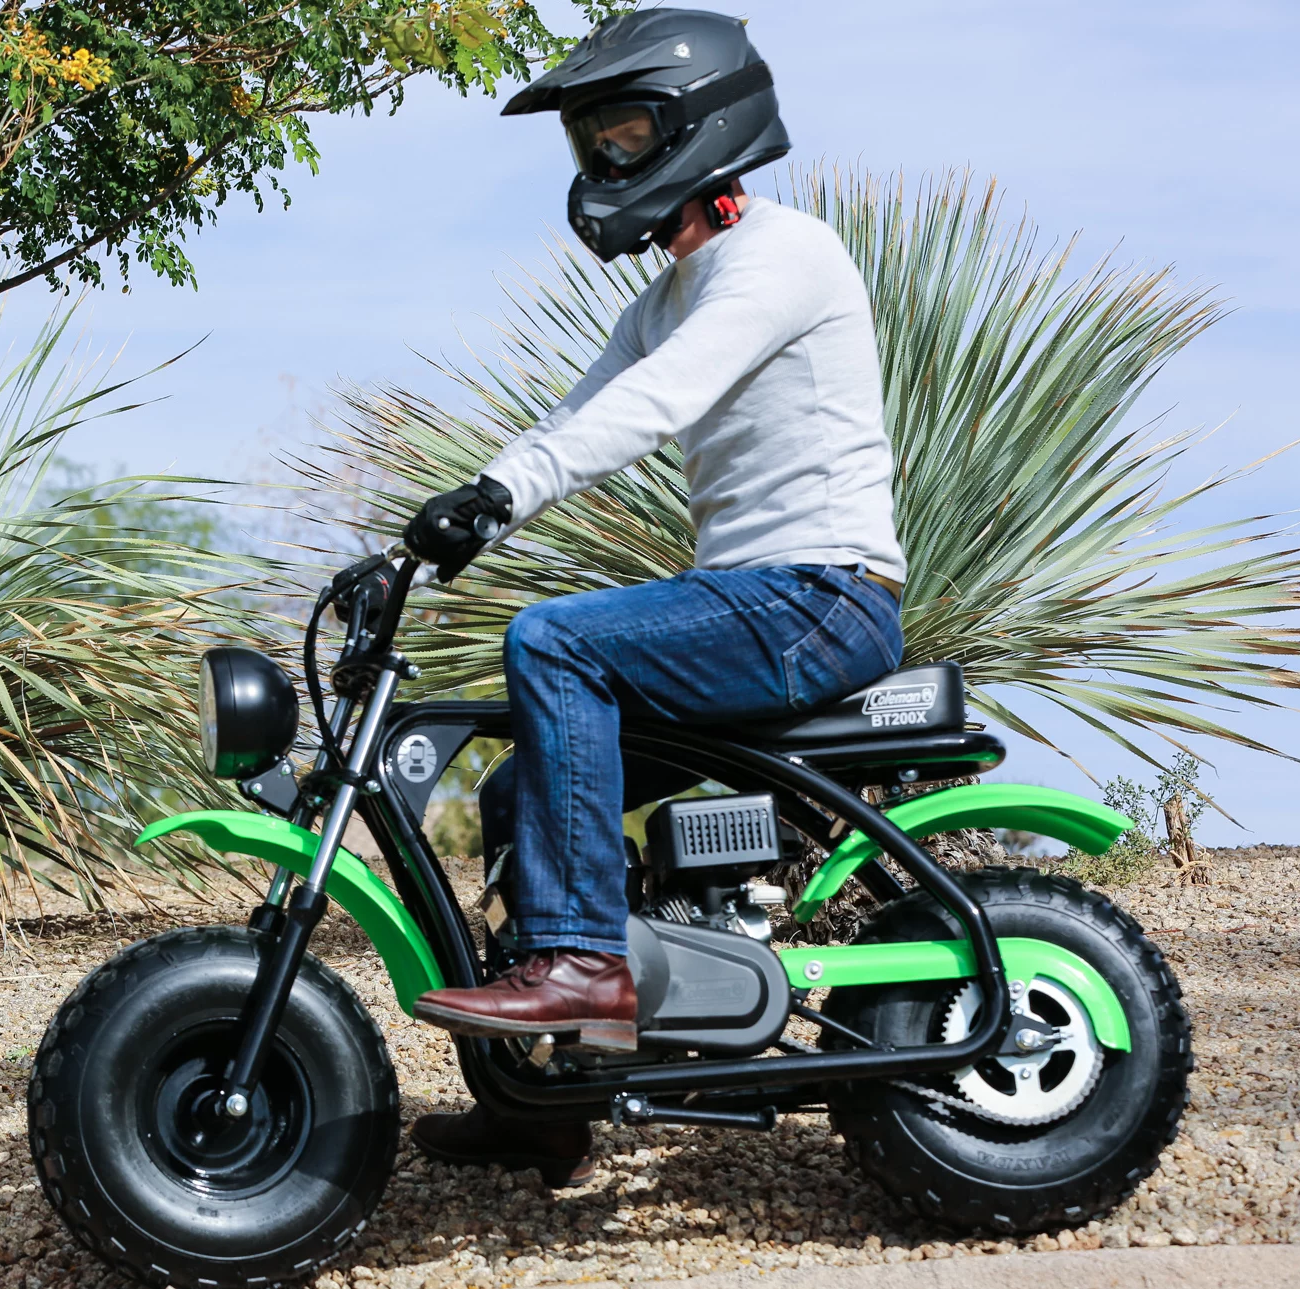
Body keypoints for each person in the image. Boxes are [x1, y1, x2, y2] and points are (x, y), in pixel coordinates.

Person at [397, 9, 908, 1186]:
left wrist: (498, 496)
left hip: (822, 594)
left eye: (624, 135)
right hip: (751, 594)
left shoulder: (782, 254)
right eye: (593, 143)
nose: (604, 164)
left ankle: (581, 963)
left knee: (555, 645)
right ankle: (557, 1091)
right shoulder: (662, 296)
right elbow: (576, 418)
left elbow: (660, 402)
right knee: (526, 780)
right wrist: (435, 536)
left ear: (701, 125)